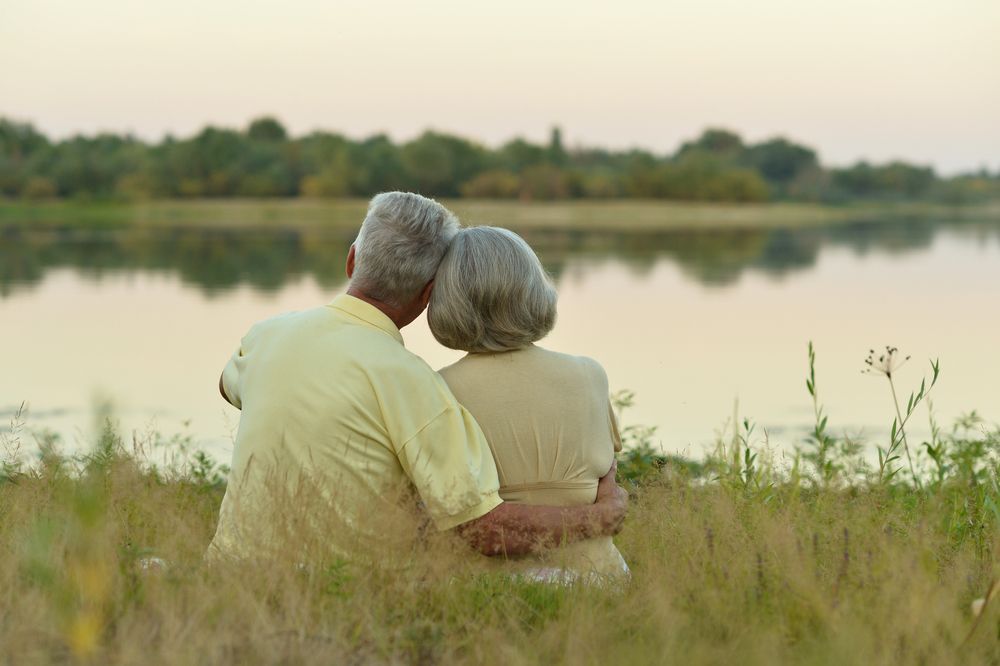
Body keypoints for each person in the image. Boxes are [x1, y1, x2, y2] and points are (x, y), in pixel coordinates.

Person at [207, 192, 627, 565]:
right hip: (338, 591)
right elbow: (481, 529)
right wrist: (598, 518)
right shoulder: (413, 381)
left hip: (228, 573)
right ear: (429, 294)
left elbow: (231, 390)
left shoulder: (266, 334)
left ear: (352, 259)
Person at [428, 226, 629, 581]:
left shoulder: (437, 389)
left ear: (447, 300)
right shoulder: (588, 374)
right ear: (534, 289)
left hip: (484, 589)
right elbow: (607, 481)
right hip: (597, 579)